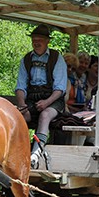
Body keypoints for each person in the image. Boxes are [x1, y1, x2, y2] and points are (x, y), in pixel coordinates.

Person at [15, 24, 68, 168]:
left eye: (40, 40)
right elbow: (20, 86)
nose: (36, 42)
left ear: (47, 42)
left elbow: (60, 89)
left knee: (45, 115)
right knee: (20, 116)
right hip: (32, 99)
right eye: (34, 40)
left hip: (53, 100)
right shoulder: (26, 59)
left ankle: (35, 153)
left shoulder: (56, 58)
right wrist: (22, 104)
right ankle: (18, 150)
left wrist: (46, 102)